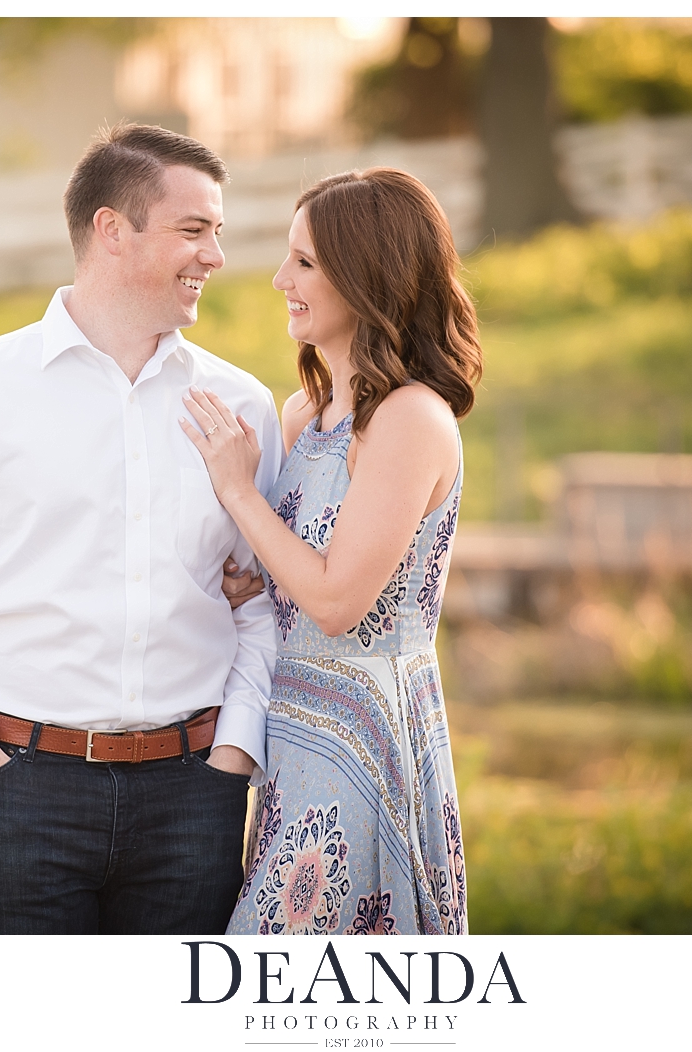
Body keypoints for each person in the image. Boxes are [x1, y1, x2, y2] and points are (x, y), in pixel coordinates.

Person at [0, 123, 282, 934]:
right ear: (112, 231)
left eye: (217, 233)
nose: (216, 256)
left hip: (193, 797)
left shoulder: (241, 406)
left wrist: (234, 752)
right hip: (18, 794)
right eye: (193, 230)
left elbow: (258, 598)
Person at [179, 167, 480, 934]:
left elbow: (339, 601)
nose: (282, 279)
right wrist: (247, 576)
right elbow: (292, 568)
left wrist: (240, 490)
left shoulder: (411, 418)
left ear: (368, 276)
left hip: (367, 735)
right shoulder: (302, 412)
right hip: (293, 733)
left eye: (305, 262)